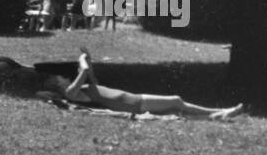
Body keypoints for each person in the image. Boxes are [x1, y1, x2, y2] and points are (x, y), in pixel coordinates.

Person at [61, 49, 242, 119]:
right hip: (134, 104)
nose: (58, 78)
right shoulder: (71, 92)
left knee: (177, 108)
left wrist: (84, 57)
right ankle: (219, 113)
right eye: (55, 79)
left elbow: (88, 68)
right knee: (177, 101)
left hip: (135, 101)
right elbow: (85, 70)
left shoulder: (89, 87)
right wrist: (81, 63)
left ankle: (219, 114)